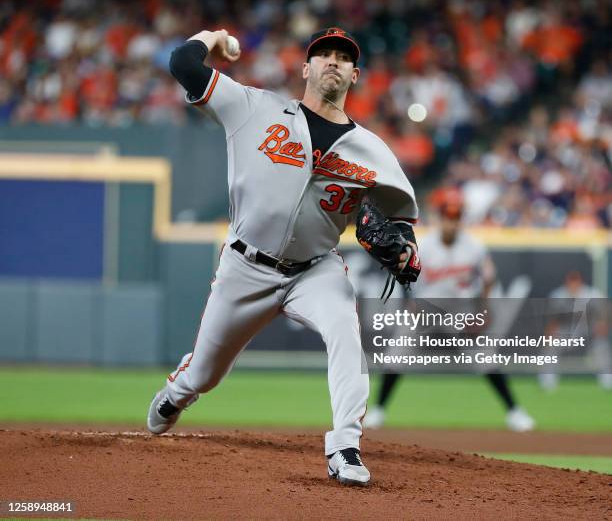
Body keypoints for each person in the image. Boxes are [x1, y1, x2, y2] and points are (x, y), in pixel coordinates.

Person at [146, 27, 420, 487]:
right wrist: (213, 37)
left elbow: (402, 218)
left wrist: (408, 247)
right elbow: (182, 64)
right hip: (244, 266)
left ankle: (345, 446)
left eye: (343, 57)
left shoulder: (373, 151)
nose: (333, 61)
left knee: (346, 334)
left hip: (316, 269)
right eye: (323, 54)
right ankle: (177, 392)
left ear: (355, 74)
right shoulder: (253, 108)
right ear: (306, 68)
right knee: (205, 376)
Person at [364, 190, 536, 432]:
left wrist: (482, 310)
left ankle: (515, 412)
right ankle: (379, 410)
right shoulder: (422, 245)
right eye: (447, 216)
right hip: (424, 311)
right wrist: (411, 305)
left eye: (456, 217)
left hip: (460, 313)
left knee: (487, 359)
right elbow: (403, 278)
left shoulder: (474, 247)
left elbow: (488, 278)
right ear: (439, 217)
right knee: (396, 354)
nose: (451, 221)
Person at [538, 270, 611, 391]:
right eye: (570, 282)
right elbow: (552, 321)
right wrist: (550, 336)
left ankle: (607, 377)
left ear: (580, 282)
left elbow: (603, 314)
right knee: (551, 345)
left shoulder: (592, 294)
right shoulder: (558, 295)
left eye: (575, 282)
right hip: (567, 328)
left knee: (601, 345)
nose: (572, 285)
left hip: (588, 328)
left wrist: (602, 325)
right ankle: (547, 378)